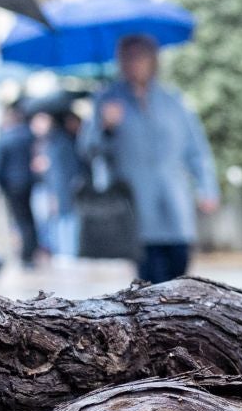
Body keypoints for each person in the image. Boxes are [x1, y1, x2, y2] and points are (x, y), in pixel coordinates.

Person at [79, 33, 219, 285]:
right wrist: (105, 127)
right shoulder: (107, 100)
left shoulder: (173, 100)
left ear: (153, 60)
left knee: (179, 271)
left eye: (139, 57)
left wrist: (207, 187)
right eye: (127, 57)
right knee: (151, 280)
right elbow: (88, 149)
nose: (134, 63)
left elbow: (196, 150)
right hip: (135, 207)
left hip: (174, 200)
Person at [0, 102, 43, 268]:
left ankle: (26, 255)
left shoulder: (4, 139)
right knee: (29, 217)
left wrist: (0, 184)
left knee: (20, 219)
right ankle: (31, 250)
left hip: (12, 185)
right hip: (28, 181)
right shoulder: (28, 135)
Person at [32, 108, 82, 259]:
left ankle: (66, 254)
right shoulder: (53, 141)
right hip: (59, 190)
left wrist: (56, 194)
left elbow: (60, 172)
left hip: (61, 191)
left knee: (65, 223)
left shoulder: (57, 142)